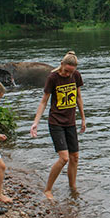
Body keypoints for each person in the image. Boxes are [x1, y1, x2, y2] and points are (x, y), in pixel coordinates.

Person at [30, 51, 86, 200]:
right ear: (61, 65)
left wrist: (83, 118)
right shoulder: (53, 77)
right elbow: (44, 101)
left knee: (75, 157)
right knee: (64, 158)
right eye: (66, 71)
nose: (68, 74)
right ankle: (48, 189)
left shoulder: (76, 76)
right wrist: (36, 122)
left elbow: (79, 97)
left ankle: (72, 187)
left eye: (71, 72)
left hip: (71, 122)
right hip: (56, 122)